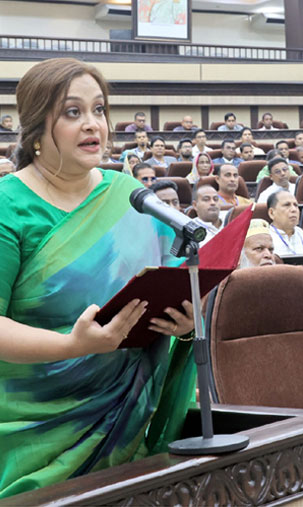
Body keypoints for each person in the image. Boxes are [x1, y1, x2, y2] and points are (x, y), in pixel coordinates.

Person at [0, 58, 195, 499]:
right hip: (35, 434)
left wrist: (185, 321)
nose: (93, 125)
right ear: (34, 128)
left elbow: (170, 281)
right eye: (72, 112)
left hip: (131, 419)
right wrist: (73, 346)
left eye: (99, 109)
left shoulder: (128, 195)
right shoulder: (7, 207)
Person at [239, 219, 303, 364]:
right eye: (259, 249)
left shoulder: (287, 282)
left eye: (271, 249)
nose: (268, 255)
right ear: (240, 256)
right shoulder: (230, 292)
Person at [267, 190, 303, 257]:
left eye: (295, 205)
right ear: (271, 213)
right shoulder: (263, 241)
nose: (293, 209)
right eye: (287, 205)